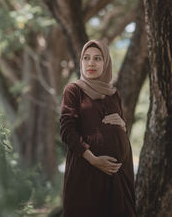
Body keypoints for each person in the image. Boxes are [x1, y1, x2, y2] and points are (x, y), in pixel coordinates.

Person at [59, 39, 137, 217]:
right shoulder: (74, 90)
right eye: (86, 58)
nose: (91, 63)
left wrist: (123, 124)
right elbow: (67, 130)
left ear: (106, 62)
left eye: (97, 58)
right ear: (81, 62)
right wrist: (93, 159)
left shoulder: (113, 94)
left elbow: (119, 126)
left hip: (119, 175)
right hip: (87, 170)